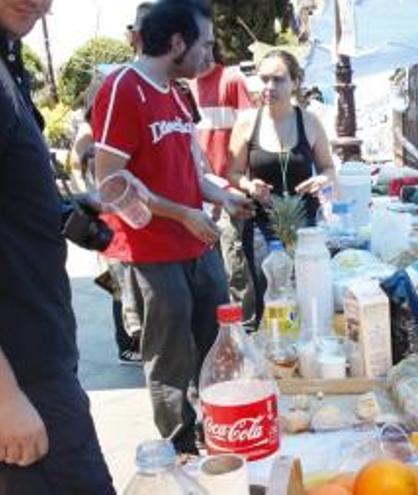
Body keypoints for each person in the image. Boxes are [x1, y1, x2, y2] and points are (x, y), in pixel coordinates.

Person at [91, 0, 253, 454]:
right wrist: (182, 214)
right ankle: (179, 452)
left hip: (199, 244)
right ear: (177, 43)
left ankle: (219, 434)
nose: (211, 54)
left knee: (219, 344)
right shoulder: (124, 86)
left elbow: (190, 170)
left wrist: (220, 194)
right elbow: (110, 182)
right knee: (169, 360)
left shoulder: (178, 93)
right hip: (153, 252)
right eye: (205, 43)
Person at [0, 0, 115, 492]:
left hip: (41, 358)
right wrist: (5, 397)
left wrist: (61, 211)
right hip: (22, 376)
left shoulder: (9, 59)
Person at [227, 49, 336, 328]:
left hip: (305, 228)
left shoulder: (309, 122)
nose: (269, 87)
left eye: (278, 80)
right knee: (269, 302)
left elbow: (329, 169)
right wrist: (250, 185)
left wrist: (322, 180)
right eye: (263, 79)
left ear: (296, 82)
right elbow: (234, 173)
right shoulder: (247, 122)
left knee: (307, 299)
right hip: (262, 229)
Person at [72, 71, 143, 365]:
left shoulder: (113, 124)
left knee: (125, 279)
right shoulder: (89, 131)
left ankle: (133, 338)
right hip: (105, 214)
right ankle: (127, 343)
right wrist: (87, 196)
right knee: (117, 282)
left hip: (121, 211)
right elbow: (76, 165)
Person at [188, 45, 258, 329]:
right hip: (199, 194)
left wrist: (236, 185)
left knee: (235, 266)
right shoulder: (185, 85)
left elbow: (249, 130)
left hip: (228, 191)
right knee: (210, 271)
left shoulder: (231, 79)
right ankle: (221, 333)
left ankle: (246, 328)